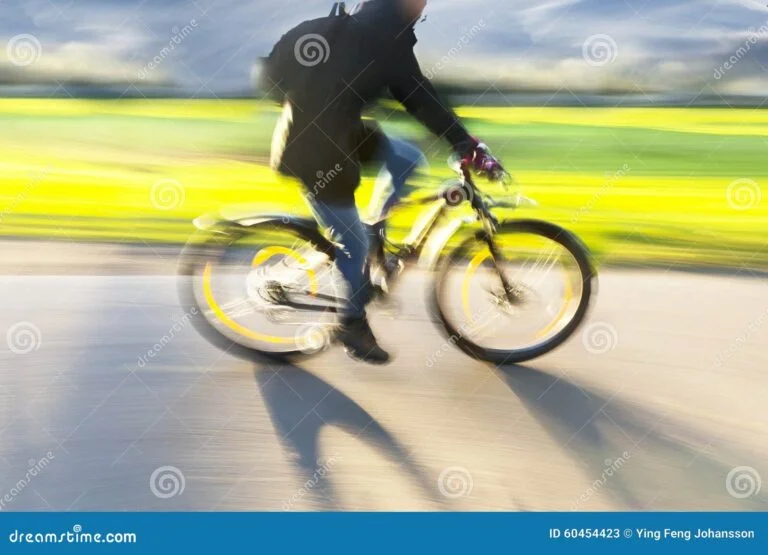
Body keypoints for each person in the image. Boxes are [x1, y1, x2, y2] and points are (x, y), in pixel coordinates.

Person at [262, 0, 502, 364]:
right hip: (314, 153)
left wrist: (318, 100)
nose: (423, 7)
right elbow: (419, 97)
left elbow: (273, 72)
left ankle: (373, 227)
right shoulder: (384, 40)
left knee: (407, 158)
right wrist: (464, 143)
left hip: (340, 133)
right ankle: (352, 323)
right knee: (354, 247)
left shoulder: (359, 29)